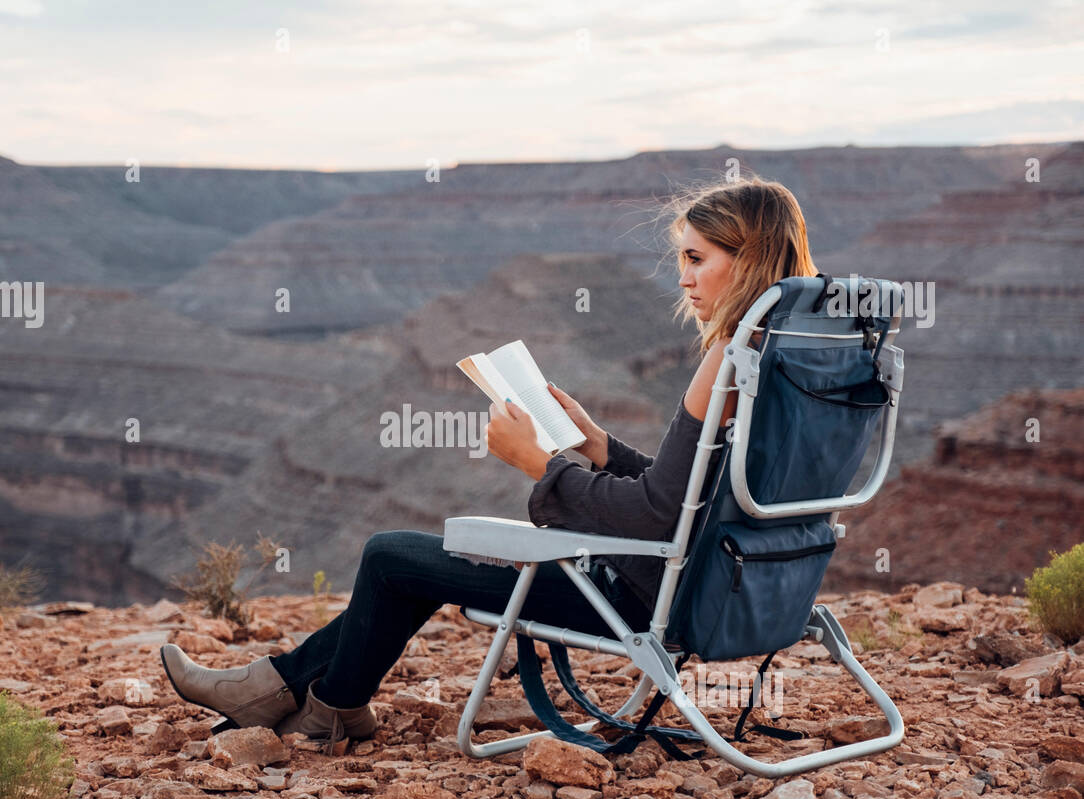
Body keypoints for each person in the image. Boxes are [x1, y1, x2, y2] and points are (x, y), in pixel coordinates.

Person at [160, 175, 819, 752]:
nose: (683, 276)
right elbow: (705, 491)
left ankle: (312, 703)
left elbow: (656, 514)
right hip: (746, 593)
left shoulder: (729, 357)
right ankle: (308, 699)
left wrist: (541, 464)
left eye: (697, 258)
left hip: (645, 603)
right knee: (409, 565)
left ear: (749, 259)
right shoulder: (803, 353)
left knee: (393, 556)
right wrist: (600, 448)